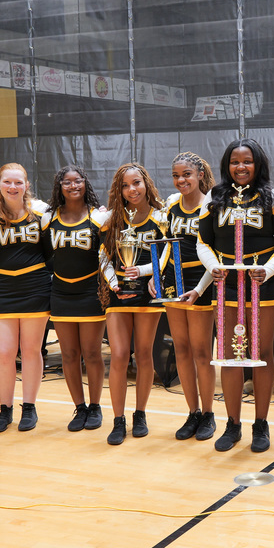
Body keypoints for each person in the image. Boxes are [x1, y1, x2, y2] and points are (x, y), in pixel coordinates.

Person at [197, 138, 274, 453]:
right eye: (235, 161)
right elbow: (203, 242)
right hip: (226, 286)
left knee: (262, 353)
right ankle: (233, 424)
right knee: (229, 354)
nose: (241, 167)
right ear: (227, 165)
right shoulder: (213, 197)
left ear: (258, 164)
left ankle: (261, 424)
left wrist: (268, 269)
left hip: (263, 285)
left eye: (247, 161)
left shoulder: (273, 197)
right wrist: (213, 268)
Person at [0, 163, 50, 433]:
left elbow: (51, 252)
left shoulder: (41, 212)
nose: (13, 187)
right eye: (7, 182)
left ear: (27, 185)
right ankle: (5, 409)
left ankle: (29, 408)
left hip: (36, 288)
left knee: (31, 351)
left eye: (18, 182)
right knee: (5, 353)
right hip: (4, 291)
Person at [99, 163, 166, 445]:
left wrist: (146, 271)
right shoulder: (112, 219)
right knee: (119, 355)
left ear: (146, 184)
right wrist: (113, 281)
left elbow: (166, 255)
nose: (132, 189)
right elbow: (103, 256)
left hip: (148, 292)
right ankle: (118, 420)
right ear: (119, 190)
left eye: (136, 183)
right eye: (126, 185)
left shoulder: (161, 218)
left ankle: (140, 414)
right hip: (118, 292)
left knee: (144, 354)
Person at [42, 166, 108, 432]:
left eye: (77, 181)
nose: (72, 186)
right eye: (66, 182)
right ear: (59, 186)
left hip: (90, 294)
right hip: (60, 294)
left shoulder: (98, 217)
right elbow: (45, 255)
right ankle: (79, 407)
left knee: (92, 353)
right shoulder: (49, 219)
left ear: (85, 184)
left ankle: (95, 407)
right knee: (68, 354)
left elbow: (106, 257)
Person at [162, 152, 217, 441]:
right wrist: (155, 278)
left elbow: (215, 255)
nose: (181, 180)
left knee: (201, 353)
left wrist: (201, 289)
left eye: (186, 174)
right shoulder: (171, 206)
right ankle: (192, 412)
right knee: (180, 350)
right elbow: (167, 248)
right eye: (176, 175)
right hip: (173, 283)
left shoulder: (211, 207)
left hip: (200, 285)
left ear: (199, 175)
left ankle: (208, 413)